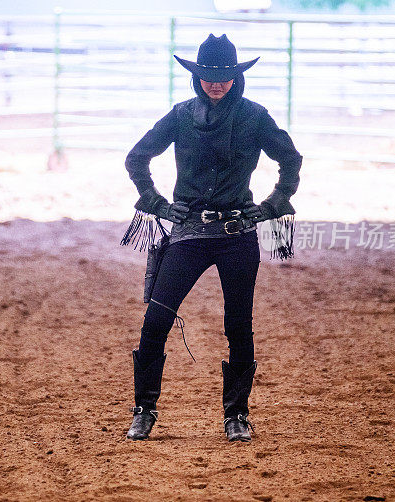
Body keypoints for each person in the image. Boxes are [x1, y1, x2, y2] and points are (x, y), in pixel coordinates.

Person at [122, 33, 303, 442]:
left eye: (224, 76)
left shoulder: (255, 117)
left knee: (239, 325)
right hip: (187, 233)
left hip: (237, 233)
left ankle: (236, 415)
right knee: (155, 320)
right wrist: (157, 204)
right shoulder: (180, 115)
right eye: (207, 76)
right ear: (196, 77)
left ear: (237, 78)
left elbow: (290, 158)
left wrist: (274, 204)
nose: (216, 83)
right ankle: (143, 410)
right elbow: (137, 156)